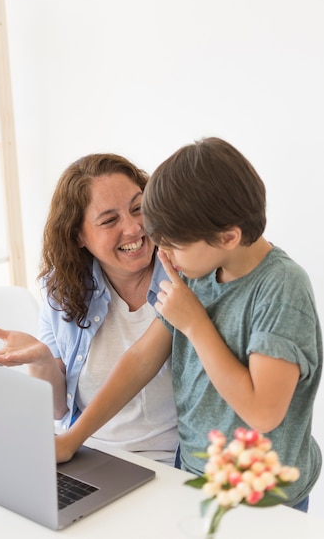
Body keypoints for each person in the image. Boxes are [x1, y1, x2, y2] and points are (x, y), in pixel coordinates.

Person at [55, 137, 322, 512]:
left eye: (174, 245)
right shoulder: (199, 271)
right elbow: (140, 361)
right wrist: (72, 438)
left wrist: (196, 325)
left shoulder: (281, 289)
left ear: (228, 236)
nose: (162, 255)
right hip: (194, 475)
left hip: (264, 500)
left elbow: (264, 412)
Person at [0, 153, 178, 465]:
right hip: (87, 456)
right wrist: (42, 360)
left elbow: (142, 362)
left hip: (168, 464)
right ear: (78, 235)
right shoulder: (62, 289)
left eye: (138, 208)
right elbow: (58, 410)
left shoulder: (186, 277)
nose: (133, 228)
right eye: (110, 220)